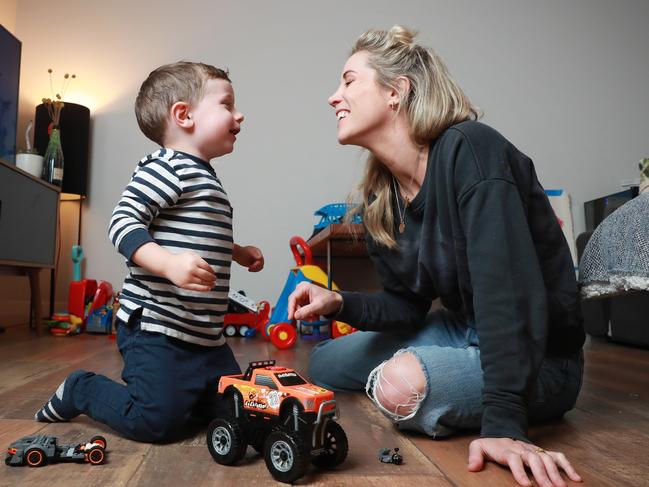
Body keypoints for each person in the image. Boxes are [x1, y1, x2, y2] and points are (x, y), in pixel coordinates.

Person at [288, 27, 585, 487]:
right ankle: (444, 370)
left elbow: (506, 292)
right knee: (325, 364)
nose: (333, 97)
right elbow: (407, 304)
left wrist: (505, 424)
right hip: (463, 326)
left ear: (396, 91)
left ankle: (452, 380)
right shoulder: (380, 198)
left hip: (541, 351)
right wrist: (338, 302)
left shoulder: (471, 149)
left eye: (348, 81)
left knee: (398, 387)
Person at [34, 61, 264, 442]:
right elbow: (122, 222)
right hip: (158, 329)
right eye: (227, 104)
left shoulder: (204, 175)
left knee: (236, 410)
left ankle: (187, 396)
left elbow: (197, 235)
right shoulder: (166, 167)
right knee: (156, 423)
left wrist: (237, 251)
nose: (239, 114)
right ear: (183, 114)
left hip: (205, 338)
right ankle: (82, 389)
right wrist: (168, 263)